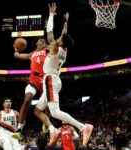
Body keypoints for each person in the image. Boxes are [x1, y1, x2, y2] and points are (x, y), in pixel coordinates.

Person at [34, 2, 93, 147]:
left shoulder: (54, 48)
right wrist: (66, 21)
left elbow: (49, 32)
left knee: (54, 112)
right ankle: (53, 130)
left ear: (61, 42)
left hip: (50, 80)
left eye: (60, 39)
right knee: (37, 110)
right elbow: (63, 34)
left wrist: (52, 15)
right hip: (54, 81)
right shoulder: (64, 50)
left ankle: (82, 126)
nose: (58, 38)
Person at [12, 35, 48, 139]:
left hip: (45, 79)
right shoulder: (31, 54)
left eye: (44, 41)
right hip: (34, 79)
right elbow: (16, 55)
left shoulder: (47, 50)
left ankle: (46, 123)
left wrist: (49, 45)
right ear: (36, 43)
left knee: (48, 105)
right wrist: (16, 49)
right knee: (27, 99)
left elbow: (56, 46)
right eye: (40, 40)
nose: (42, 41)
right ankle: (19, 128)